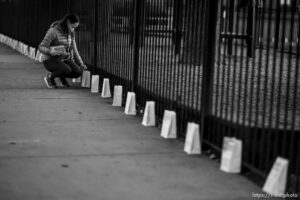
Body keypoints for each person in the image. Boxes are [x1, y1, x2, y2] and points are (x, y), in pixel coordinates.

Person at [38, 14, 87, 88]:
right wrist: (50, 52)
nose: (73, 30)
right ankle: (49, 77)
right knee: (67, 70)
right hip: (49, 60)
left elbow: (74, 49)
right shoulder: (53, 31)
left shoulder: (71, 33)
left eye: (75, 28)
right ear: (67, 22)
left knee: (78, 72)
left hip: (62, 59)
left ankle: (62, 77)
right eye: (73, 27)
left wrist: (81, 63)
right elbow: (41, 47)